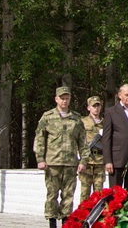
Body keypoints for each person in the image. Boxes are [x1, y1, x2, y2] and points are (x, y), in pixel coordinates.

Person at [34, 86, 88, 228]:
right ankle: (52, 222)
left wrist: (83, 160)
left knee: (68, 195)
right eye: (62, 98)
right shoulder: (47, 117)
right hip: (52, 163)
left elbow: (83, 142)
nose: (64, 101)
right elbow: (39, 139)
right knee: (52, 194)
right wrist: (40, 159)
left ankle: (65, 222)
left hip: (70, 163)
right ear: (56, 99)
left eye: (67, 98)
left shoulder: (76, 118)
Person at [79, 96, 105, 205]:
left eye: (98, 105)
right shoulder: (82, 122)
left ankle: (96, 218)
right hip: (87, 161)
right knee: (85, 192)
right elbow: (77, 139)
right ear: (88, 107)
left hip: (100, 160)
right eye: (93, 106)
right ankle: (82, 218)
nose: (96, 108)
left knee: (98, 193)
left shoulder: (105, 122)